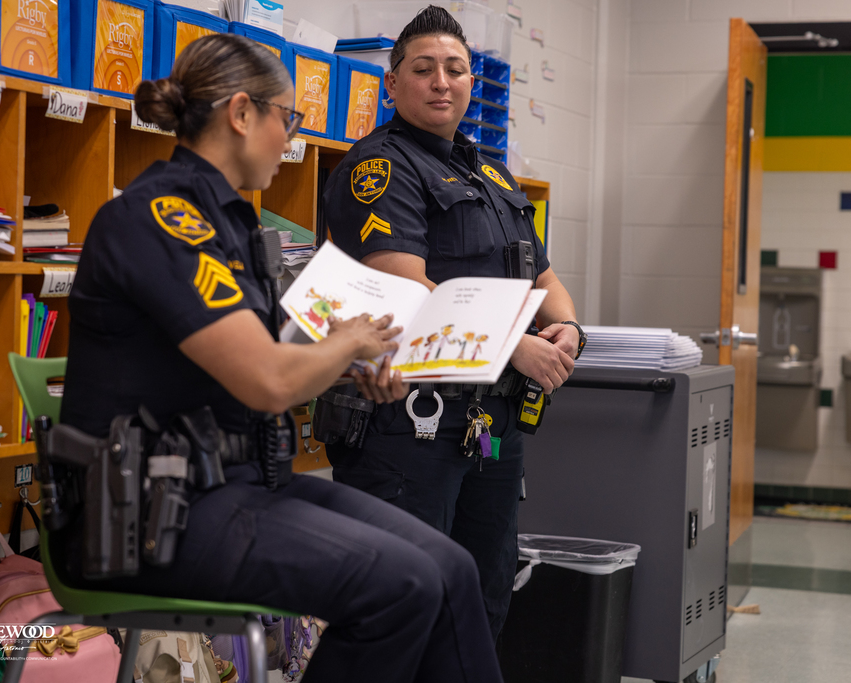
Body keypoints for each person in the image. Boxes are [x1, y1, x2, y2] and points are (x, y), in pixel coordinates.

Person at [58, 33, 503, 683]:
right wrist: (348, 339)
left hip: (234, 486)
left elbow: (270, 357)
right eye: (286, 119)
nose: (290, 138)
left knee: (452, 568)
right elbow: (268, 380)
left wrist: (348, 365)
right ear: (242, 114)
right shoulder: (157, 219)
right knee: (401, 585)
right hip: (147, 516)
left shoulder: (229, 223)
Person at [323, 6, 587, 638]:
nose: (442, 81)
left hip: (491, 426)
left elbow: (543, 279)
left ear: (472, 81)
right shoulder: (379, 168)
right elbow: (403, 286)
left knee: (484, 594)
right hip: (409, 425)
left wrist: (571, 330)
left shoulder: (492, 174)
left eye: (456, 69)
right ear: (391, 84)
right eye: (424, 69)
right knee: (400, 606)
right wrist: (516, 347)